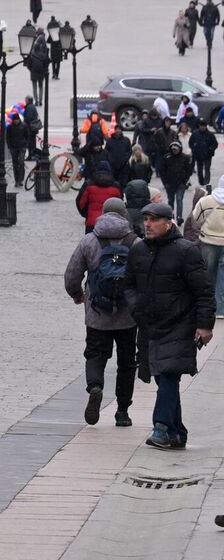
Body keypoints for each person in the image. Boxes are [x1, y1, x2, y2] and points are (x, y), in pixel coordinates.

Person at [129, 201, 213, 449]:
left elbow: (203, 291)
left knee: (168, 375)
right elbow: (128, 284)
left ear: (168, 223)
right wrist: (136, 306)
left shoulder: (186, 251)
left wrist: (205, 325)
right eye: (146, 219)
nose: (148, 224)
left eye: (154, 220)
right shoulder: (139, 250)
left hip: (179, 324)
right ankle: (177, 432)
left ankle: (161, 428)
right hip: (149, 325)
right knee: (163, 377)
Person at [65, 196, 138, 428]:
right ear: (124, 215)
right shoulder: (136, 242)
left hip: (97, 313)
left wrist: (77, 294)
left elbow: (72, 275)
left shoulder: (89, 241)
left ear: (103, 214)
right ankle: (122, 412)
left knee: (95, 355)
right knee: (127, 363)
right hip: (128, 315)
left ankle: (95, 386)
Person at [188, 184, 224, 322]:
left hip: (209, 241)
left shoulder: (207, 201)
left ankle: (207, 307)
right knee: (222, 276)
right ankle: (221, 308)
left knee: (207, 275)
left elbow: (196, 218)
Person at [79, 162, 122, 232]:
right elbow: (119, 204)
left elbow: (81, 203)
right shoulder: (116, 186)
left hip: (92, 221)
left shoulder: (89, 184)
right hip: (110, 222)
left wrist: (86, 214)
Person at [162, 142, 195, 220]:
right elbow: (162, 171)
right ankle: (170, 215)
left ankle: (179, 216)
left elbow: (189, 170)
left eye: (176, 150)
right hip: (169, 183)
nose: (175, 151)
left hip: (181, 183)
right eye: (173, 150)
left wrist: (185, 180)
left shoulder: (185, 158)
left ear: (180, 149)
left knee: (179, 199)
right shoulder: (167, 158)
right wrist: (165, 182)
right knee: (171, 200)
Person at [5, 113, 34, 189]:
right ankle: (16, 180)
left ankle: (21, 179)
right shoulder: (10, 127)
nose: (16, 121)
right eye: (15, 120)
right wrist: (9, 146)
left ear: (19, 119)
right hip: (13, 147)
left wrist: (26, 145)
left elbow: (27, 135)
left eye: (17, 120)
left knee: (21, 162)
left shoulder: (24, 126)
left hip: (22, 147)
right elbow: (8, 137)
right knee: (15, 164)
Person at [192, 119, 218, 190]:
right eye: (201, 126)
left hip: (208, 155)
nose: (203, 127)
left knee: (207, 169)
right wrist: (194, 149)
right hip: (198, 154)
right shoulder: (195, 133)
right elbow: (191, 142)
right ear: (199, 126)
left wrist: (210, 149)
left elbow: (215, 144)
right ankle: (201, 182)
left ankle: (206, 183)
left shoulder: (210, 134)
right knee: (199, 170)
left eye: (204, 126)